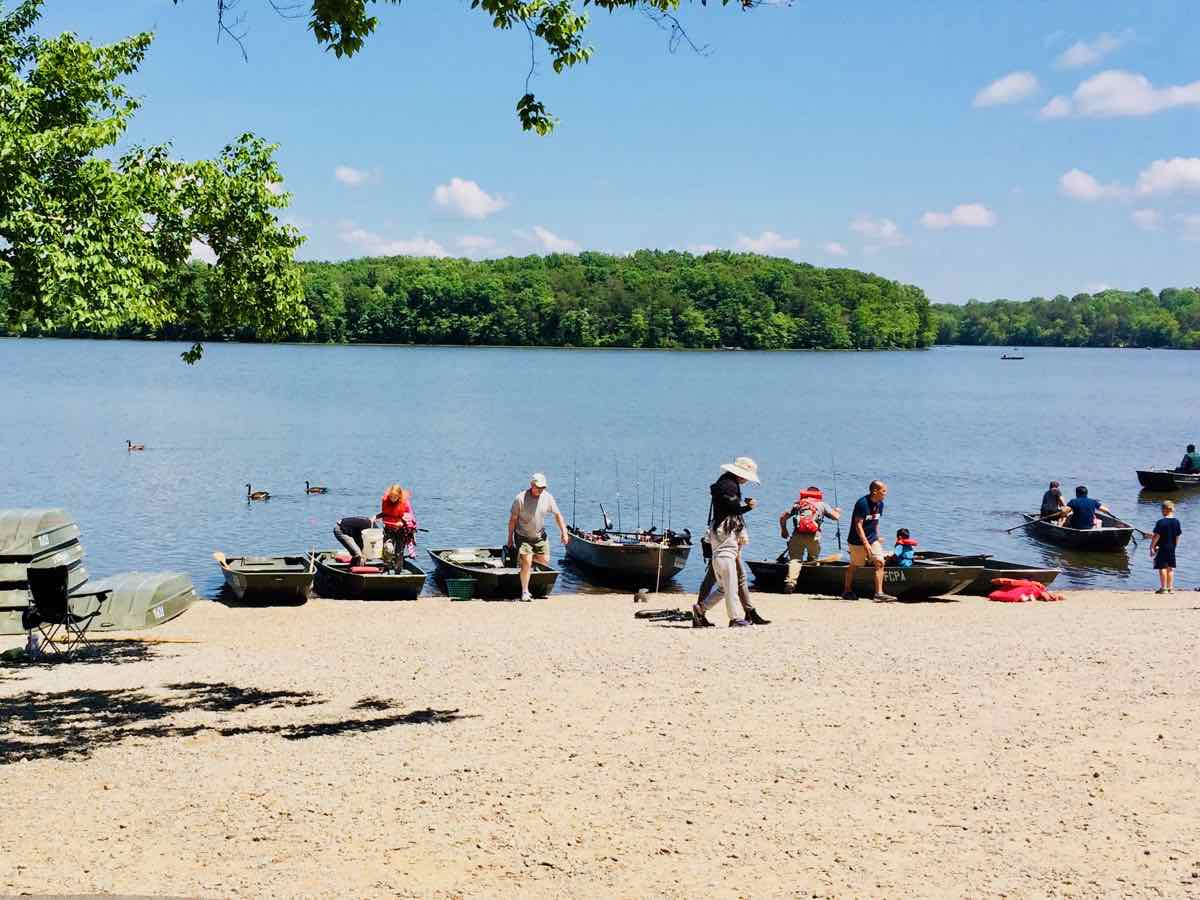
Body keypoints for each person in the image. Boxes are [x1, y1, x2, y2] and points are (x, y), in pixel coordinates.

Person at [693, 457, 768, 627]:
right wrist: (749, 506)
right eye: (747, 477)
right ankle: (735, 618)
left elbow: (728, 508)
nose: (747, 480)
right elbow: (732, 509)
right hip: (725, 539)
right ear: (741, 474)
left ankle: (700, 609)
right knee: (731, 583)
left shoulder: (724, 483)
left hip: (720, 537)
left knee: (724, 586)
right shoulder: (729, 485)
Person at [507, 473, 570, 602]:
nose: (540, 490)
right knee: (527, 561)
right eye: (538, 487)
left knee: (544, 562)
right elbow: (512, 520)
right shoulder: (520, 499)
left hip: (540, 536)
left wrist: (564, 532)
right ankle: (524, 591)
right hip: (523, 536)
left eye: (543, 488)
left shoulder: (548, 498)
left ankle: (531, 580)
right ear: (532, 485)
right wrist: (509, 539)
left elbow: (558, 515)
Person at [778, 486, 841, 593]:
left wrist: (784, 530)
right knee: (813, 559)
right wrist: (837, 511)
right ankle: (811, 581)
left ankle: (791, 582)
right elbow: (835, 517)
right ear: (818, 495)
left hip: (797, 535)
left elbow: (783, 517)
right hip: (814, 536)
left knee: (795, 560)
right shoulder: (822, 504)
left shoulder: (799, 504)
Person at [842, 480, 895, 602]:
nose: (885, 493)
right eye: (884, 491)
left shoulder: (880, 504)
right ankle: (847, 590)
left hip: (872, 539)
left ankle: (879, 594)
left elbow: (875, 521)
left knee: (880, 562)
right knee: (856, 565)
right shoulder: (862, 503)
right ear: (875, 491)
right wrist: (865, 542)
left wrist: (877, 536)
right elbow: (858, 525)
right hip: (857, 540)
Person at [379, 484, 418, 564]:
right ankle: (387, 566)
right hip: (389, 529)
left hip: (401, 530)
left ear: (399, 496)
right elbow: (385, 513)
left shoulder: (405, 503)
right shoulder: (386, 501)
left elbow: (409, 517)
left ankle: (398, 570)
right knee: (387, 549)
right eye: (391, 497)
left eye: (395, 497)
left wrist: (401, 522)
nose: (392, 499)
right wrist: (375, 517)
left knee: (399, 551)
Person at [1150, 500, 1182, 594]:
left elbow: (1157, 536)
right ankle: (1170, 588)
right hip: (1172, 547)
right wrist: (1175, 546)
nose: (1161, 512)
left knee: (1162, 567)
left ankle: (1163, 588)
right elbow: (1177, 536)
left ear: (1165, 510)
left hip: (1162, 547)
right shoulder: (1176, 522)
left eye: (1162, 510)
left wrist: (1152, 546)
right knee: (1170, 567)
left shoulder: (1161, 522)